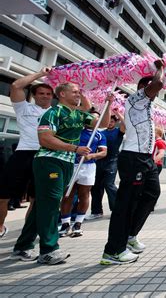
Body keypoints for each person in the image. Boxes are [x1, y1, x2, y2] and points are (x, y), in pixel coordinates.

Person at [10, 83, 111, 264]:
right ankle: (49, 250)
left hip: (66, 162)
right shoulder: (53, 113)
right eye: (74, 91)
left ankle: (22, 246)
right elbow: (45, 138)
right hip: (49, 161)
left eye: (79, 91)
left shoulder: (79, 115)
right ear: (62, 94)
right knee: (51, 204)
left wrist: (109, 104)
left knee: (43, 204)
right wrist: (75, 148)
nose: (78, 94)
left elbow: (103, 124)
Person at [100, 61, 165, 265]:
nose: (154, 93)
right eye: (149, 88)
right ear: (143, 89)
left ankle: (129, 236)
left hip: (145, 158)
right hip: (133, 157)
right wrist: (160, 69)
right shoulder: (136, 99)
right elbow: (158, 84)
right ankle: (113, 251)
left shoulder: (148, 107)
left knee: (152, 194)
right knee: (125, 204)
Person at [0, 68, 54, 239]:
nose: (45, 96)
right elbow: (16, 85)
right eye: (41, 93)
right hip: (23, 154)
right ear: (34, 95)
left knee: (36, 199)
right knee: (3, 196)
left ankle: (27, 234)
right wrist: (40, 74)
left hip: (45, 156)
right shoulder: (24, 108)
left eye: (48, 94)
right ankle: (0, 227)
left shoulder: (56, 114)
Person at [59, 111, 108, 237]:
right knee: (67, 195)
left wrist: (92, 155)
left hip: (89, 167)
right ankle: (65, 224)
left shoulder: (99, 135)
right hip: (71, 165)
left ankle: (78, 224)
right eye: (91, 118)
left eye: (97, 118)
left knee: (84, 195)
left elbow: (103, 152)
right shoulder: (76, 130)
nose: (94, 120)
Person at [87, 113, 125, 220]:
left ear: (115, 122)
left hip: (112, 161)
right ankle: (96, 211)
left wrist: (118, 114)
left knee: (109, 184)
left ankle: (117, 209)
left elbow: (125, 125)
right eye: (108, 121)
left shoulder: (118, 132)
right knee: (96, 187)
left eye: (112, 121)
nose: (110, 123)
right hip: (99, 161)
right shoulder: (100, 132)